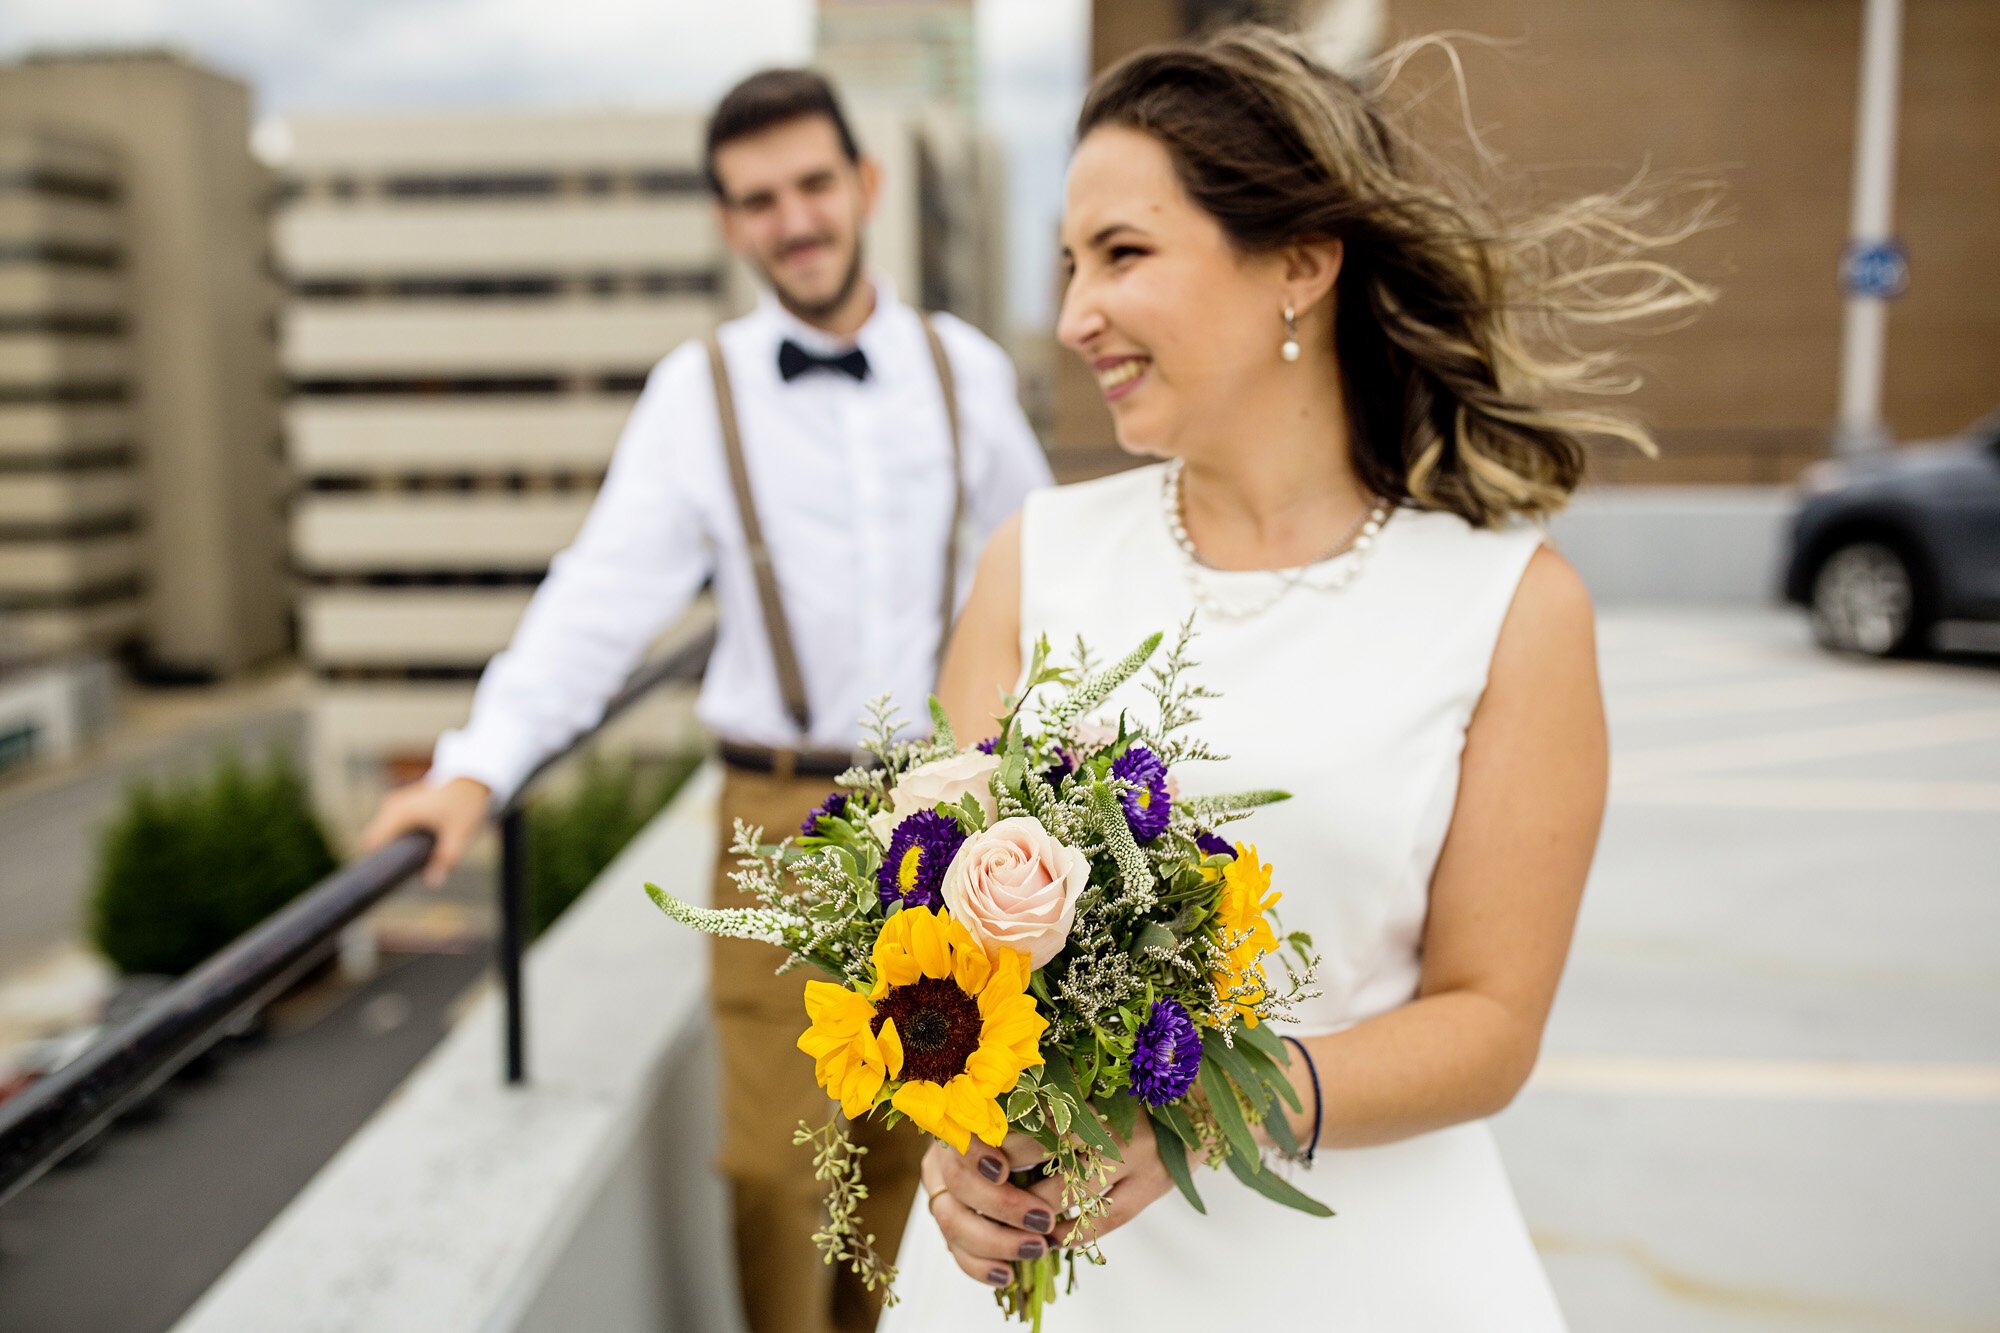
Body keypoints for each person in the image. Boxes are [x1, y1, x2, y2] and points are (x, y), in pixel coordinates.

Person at [880, 27, 1709, 1330]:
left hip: (1362, 1267)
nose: (1071, 314)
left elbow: (1490, 1020)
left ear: (1301, 264)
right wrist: (949, 1142)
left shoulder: (1511, 607)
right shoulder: (1032, 560)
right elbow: (924, 940)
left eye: (1124, 254)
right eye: (1067, 263)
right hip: (1040, 1273)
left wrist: (1211, 1104)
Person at [360, 68, 1052, 1333]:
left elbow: (1038, 577)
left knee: (926, 1150)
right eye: (756, 200)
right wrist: (477, 767)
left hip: (952, 823)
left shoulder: (963, 369)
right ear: (729, 224)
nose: (791, 220)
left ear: (864, 188)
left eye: (810, 185)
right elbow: (597, 600)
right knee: (781, 1171)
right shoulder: (699, 394)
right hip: (776, 820)